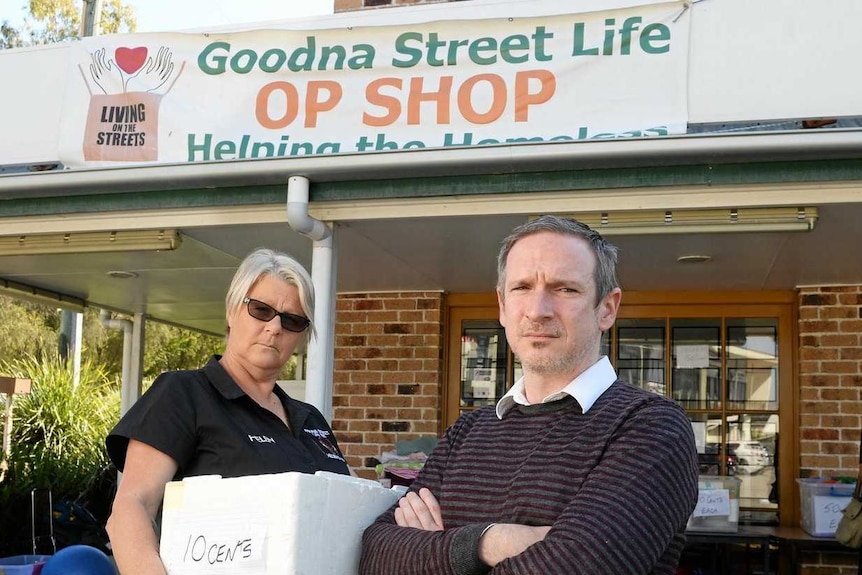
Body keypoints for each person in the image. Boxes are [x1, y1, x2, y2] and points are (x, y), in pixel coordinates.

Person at [360, 216, 699, 575]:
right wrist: (489, 542)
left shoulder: (651, 426)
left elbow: (574, 569)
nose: (538, 311)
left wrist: (430, 554)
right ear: (503, 306)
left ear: (607, 308)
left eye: (565, 289)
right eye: (521, 287)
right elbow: (373, 555)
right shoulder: (468, 432)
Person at [105, 248, 349, 575]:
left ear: (301, 337)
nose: (275, 328)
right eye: (261, 310)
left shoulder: (311, 420)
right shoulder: (184, 394)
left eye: (292, 320)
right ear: (232, 311)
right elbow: (131, 507)